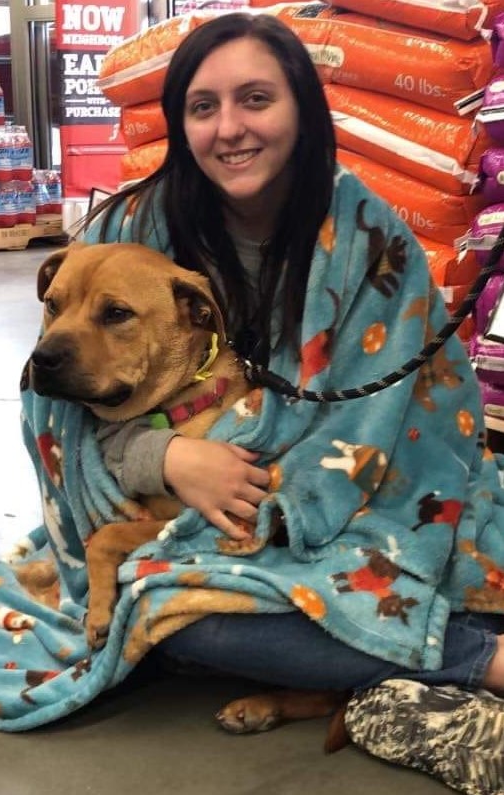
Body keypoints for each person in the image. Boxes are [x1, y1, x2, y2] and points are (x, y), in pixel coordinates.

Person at [77, 11, 504, 790]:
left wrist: (297, 494)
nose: (229, 128)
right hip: (201, 517)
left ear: (303, 109)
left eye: (256, 99)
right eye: (202, 107)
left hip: (364, 504)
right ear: (179, 122)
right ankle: (454, 652)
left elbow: (418, 416)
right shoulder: (133, 234)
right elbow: (67, 418)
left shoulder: (370, 234)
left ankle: (458, 648)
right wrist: (169, 456)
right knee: (168, 616)